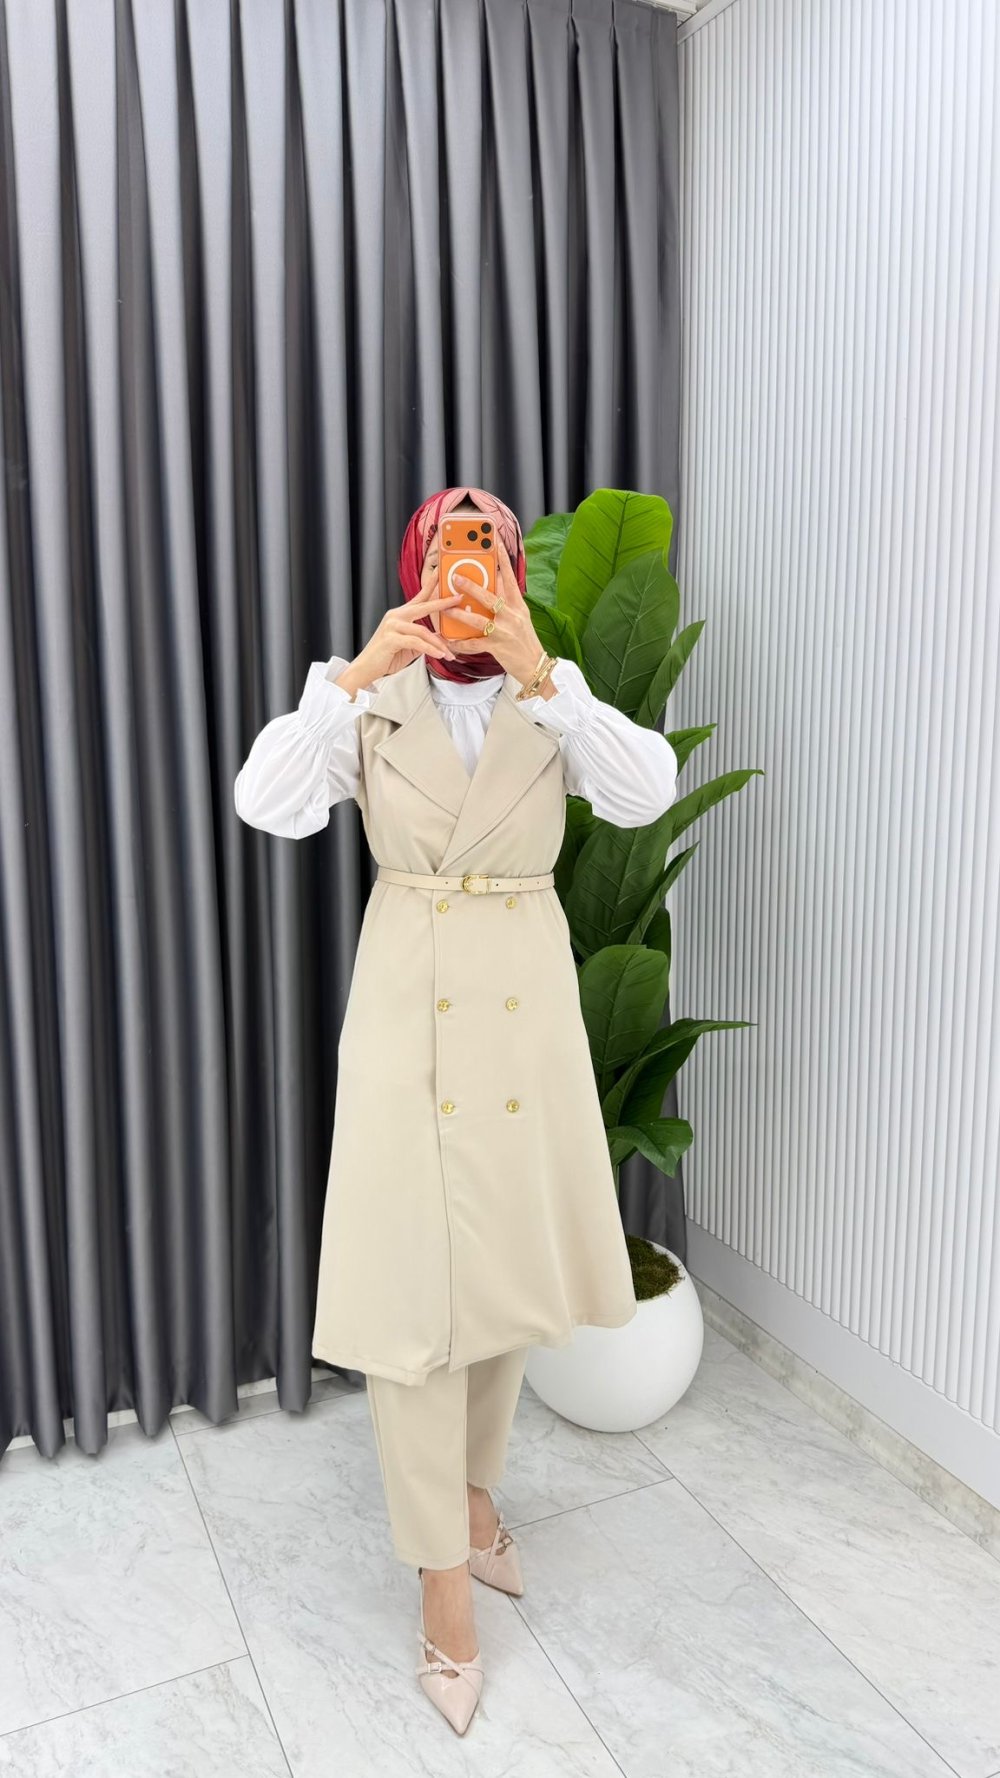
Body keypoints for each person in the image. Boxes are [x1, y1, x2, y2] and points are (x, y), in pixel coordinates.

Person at [234, 486, 678, 1734]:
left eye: (490, 538)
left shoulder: (550, 694)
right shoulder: (372, 698)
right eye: (450, 538)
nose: (469, 559)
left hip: (523, 1012)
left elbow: (645, 792)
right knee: (407, 1306)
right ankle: (442, 1577)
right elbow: (265, 800)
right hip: (407, 1005)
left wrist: (546, 677)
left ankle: (477, 1500)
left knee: (501, 1286)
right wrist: (354, 673)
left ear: (514, 566)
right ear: (419, 560)